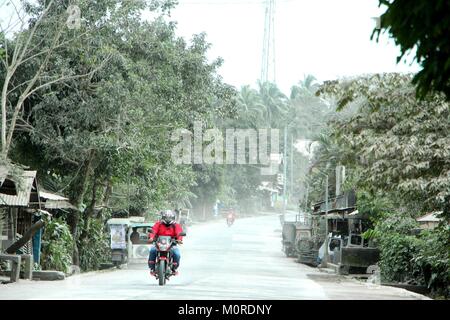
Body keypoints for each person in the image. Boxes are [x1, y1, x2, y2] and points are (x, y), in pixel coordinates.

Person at [147, 210, 183, 276]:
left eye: (170, 218)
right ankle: (152, 268)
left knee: (177, 254)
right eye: (166, 218)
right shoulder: (158, 224)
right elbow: (153, 231)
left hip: (171, 244)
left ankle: (174, 268)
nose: (168, 219)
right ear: (163, 217)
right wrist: (151, 237)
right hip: (159, 243)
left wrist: (179, 239)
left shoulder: (176, 225)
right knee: (152, 250)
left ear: (173, 218)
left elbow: (179, 233)